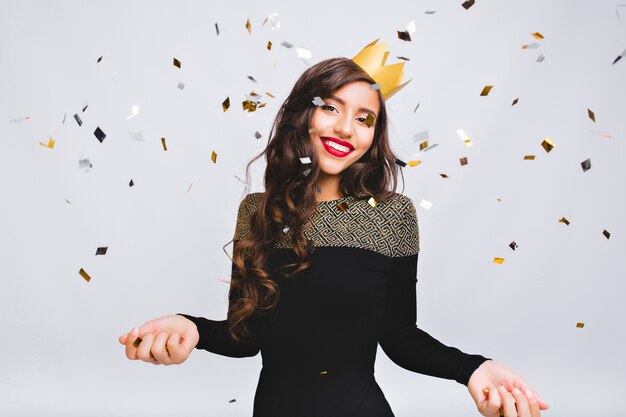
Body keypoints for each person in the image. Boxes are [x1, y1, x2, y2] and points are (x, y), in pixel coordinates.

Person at [119, 40, 550, 417]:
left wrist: (472, 368)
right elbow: (245, 337)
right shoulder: (257, 211)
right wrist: (190, 327)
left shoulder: (391, 214)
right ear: (303, 114)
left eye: (365, 118)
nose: (346, 127)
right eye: (331, 107)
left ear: (374, 134)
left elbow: (400, 337)